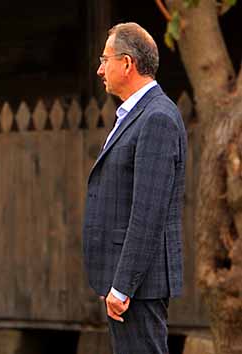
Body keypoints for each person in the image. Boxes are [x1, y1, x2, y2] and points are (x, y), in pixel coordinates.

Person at [82, 22, 187, 354]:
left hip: (140, 286)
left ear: (127, 64)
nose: (100, 70)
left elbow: (148, 213)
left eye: (105, 59)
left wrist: (122, 287)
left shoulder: (156, 118)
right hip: (128, 283)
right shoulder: (133, 114)